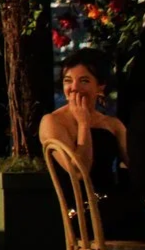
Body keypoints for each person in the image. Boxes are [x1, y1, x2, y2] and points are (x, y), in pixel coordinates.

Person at [39, 49, 138, 240]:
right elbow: (79, 171)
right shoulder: (53, 122)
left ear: (100, 87)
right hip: (83, 214)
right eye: (68, 81)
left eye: (84, 81)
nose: (74, 88)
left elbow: (137, 168)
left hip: (115, 204)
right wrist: (83, 123)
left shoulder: (112, 124)